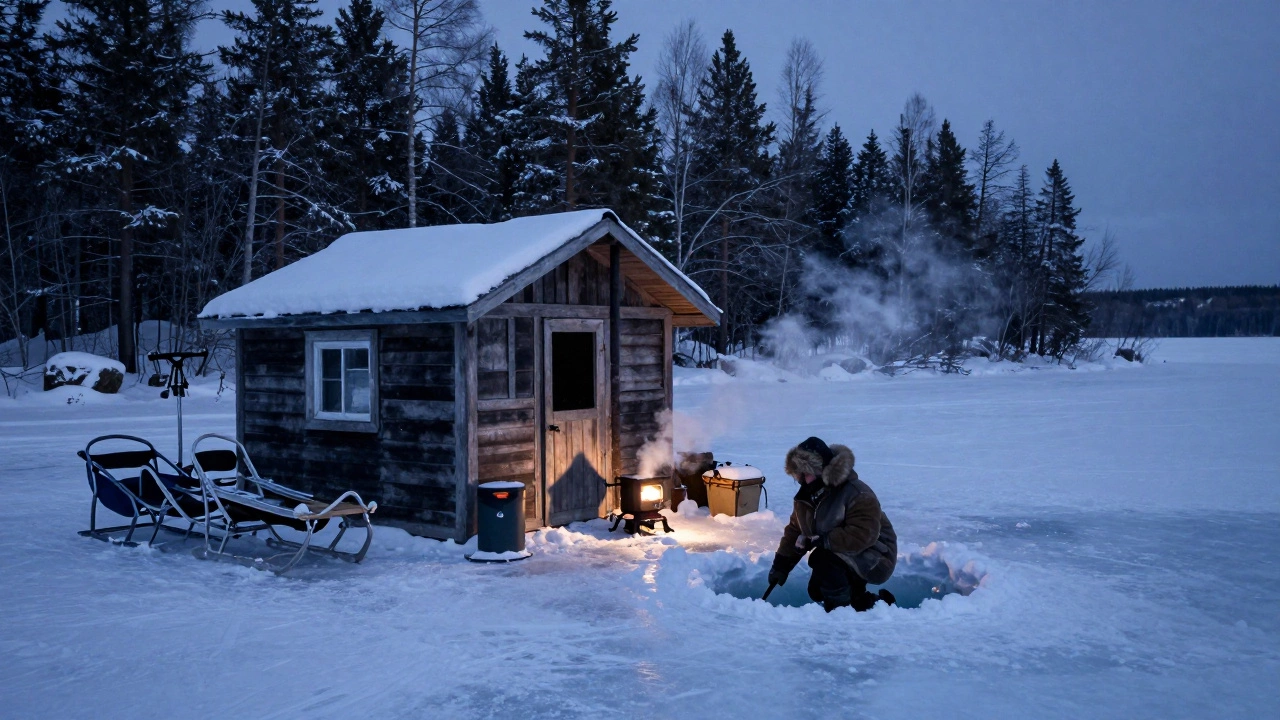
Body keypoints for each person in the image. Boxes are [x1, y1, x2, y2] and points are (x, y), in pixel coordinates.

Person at [767, 436, 898, 612]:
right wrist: (781, 565)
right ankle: (875, 605)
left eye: (805, 473)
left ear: (821, 470)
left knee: (824, 561)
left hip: (875, 553)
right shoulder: (807, 497)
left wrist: (822, 540)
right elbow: (795, 530)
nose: (800, 480)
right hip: (839, 551)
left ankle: (840, 613)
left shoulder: (857, 493)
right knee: (816, 590)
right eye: (798, 474)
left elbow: (863, 534)